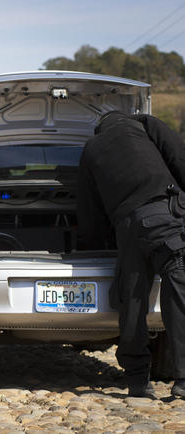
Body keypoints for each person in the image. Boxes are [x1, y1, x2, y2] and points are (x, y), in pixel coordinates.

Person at [78, 111, 185, 399]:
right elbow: (179, 156)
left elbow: (90, 206)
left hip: (126, 225)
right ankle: (183, 379)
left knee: (132, 300)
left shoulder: (91, 148)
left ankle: (138, 381)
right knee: (178, 290)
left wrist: (91, 244)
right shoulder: (145, 124)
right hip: (164, 213)